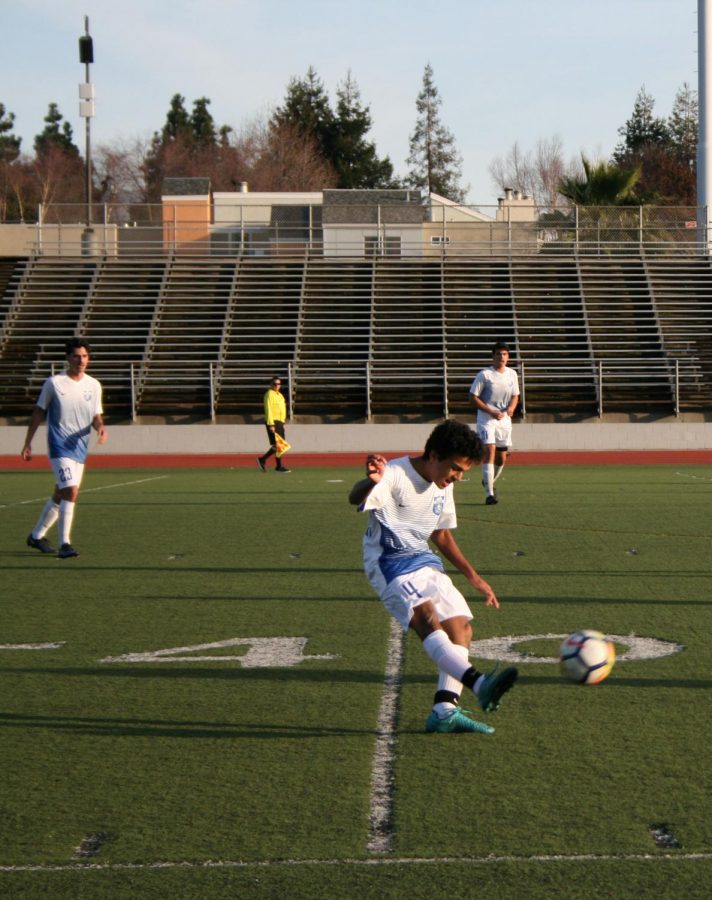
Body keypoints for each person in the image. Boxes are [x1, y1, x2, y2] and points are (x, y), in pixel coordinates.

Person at [349, 419, 517, 735]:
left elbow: (440, 534)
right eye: (455, 468)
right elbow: (354, 497)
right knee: (427, 619)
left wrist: (473, 576)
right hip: (388, 562)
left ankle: (444, 711)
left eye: (464, 472)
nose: (458, 477)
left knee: (460, 629)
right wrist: (370, 481)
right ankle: (480, 684)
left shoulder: (444, 484)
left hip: (424, 560)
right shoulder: (397, 473)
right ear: (434, 455)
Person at [21, 337, 107, 559]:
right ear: (68, 358)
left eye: (85, 356)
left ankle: (36, 536)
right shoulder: (54, 383)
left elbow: (96, 415)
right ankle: (65, 544)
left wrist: (100, 428)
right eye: (77, 356)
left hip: (79, 447)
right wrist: (28, 442)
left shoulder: (94, 385)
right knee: (71, 491)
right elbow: (39, 411)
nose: (81, 360)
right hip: (59, 446)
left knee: (61, 493)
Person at [469, 340, 520, 505]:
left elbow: (515, 395)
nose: (501, 357)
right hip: (487, 419)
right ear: (493, 356)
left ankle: (489, 481)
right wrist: (490, 411)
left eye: (504, 354)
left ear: (508, 357)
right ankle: (489, 493)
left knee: (502, 458)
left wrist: (512, 408)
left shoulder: (512, 374)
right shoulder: (485, 375)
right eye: (498, 353)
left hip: (504, 420)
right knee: (489, 450)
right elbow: (473, 396)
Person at [256, 375, 290, 473]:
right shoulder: (269, 394)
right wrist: (271, 424)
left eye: (279, 384)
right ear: (271, 384)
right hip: (273, 422)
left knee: (280, 445)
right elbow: (268, 410)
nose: (277, 385)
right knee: (279, 445)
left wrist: (283, 422)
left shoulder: (280, 395)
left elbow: (282, 410)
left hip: (279, 422)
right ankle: (278, 466)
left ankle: (263, 460)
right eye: (275, 384)